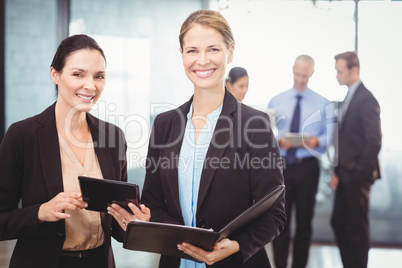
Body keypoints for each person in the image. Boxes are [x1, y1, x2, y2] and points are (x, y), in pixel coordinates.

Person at [141, 9, 286, 268]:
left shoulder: (255, 125)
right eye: (192, 50)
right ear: (182, 55)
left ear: (230, 52)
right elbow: (152, 203)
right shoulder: (165, 125)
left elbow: (274, 213)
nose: (203, 60)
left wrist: (236, 245)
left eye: (213, 49)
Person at [0, 34, 150, 268]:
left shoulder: (113, 137)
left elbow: (117, 229)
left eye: (99, 76)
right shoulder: (23, 136)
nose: (90, 86)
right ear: (55, 74)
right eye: (78, 74)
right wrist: (40, 212)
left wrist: (135, 223)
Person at [268, 54, 333, 268]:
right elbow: (266, 132)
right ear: (292, 70)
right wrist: (279, 140)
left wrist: (316, 141)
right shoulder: (276, 101)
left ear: (312, 74)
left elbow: (330, 136)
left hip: (308, 168)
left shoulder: (323, 103)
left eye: (305, 76)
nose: (300, 79)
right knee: (280, 222)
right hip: (283, 167)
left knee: (305, 223)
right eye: (297, 74)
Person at [331, 51, 381, 268]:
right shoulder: (349, 97)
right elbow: (345, 140)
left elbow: (374, 142)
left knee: (356, 230)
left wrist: (357, 177)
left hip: (356, 177)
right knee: (339, 223)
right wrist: (337, 172)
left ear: (354, 70)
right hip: (344, 174)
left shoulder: (367, 100)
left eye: (339, 71)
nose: (336, 76)